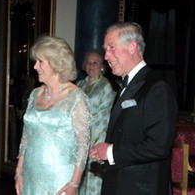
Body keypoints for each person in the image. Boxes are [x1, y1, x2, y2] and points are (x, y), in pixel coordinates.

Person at [89, 22, 178, 194]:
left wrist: (111, 151)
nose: (106, 56)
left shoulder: (156, 88)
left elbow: (158, 146)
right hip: (120, 184)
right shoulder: (125, 86)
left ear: (132, 47)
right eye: (105, 49)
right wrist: (106, 152)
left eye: (111, 47)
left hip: (141, 188)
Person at [14, 35, 90, 195]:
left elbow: (83, 146)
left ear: (56, 63)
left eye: (40, 61)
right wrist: (19, 172)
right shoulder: (35, 94)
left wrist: (74, 183)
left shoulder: (77, 98)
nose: (35, 67)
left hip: (60, 179)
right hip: (31, 176)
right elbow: (26, 137)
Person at [76, 50, 116, 195]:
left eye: (95, 62)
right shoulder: (78, 85)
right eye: (88, 62)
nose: (91, 65)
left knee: (93, 181)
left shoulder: (106, 86)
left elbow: (104, 115)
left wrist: (87, 136)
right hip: (77, 139)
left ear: (102, 66)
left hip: (95, 138)